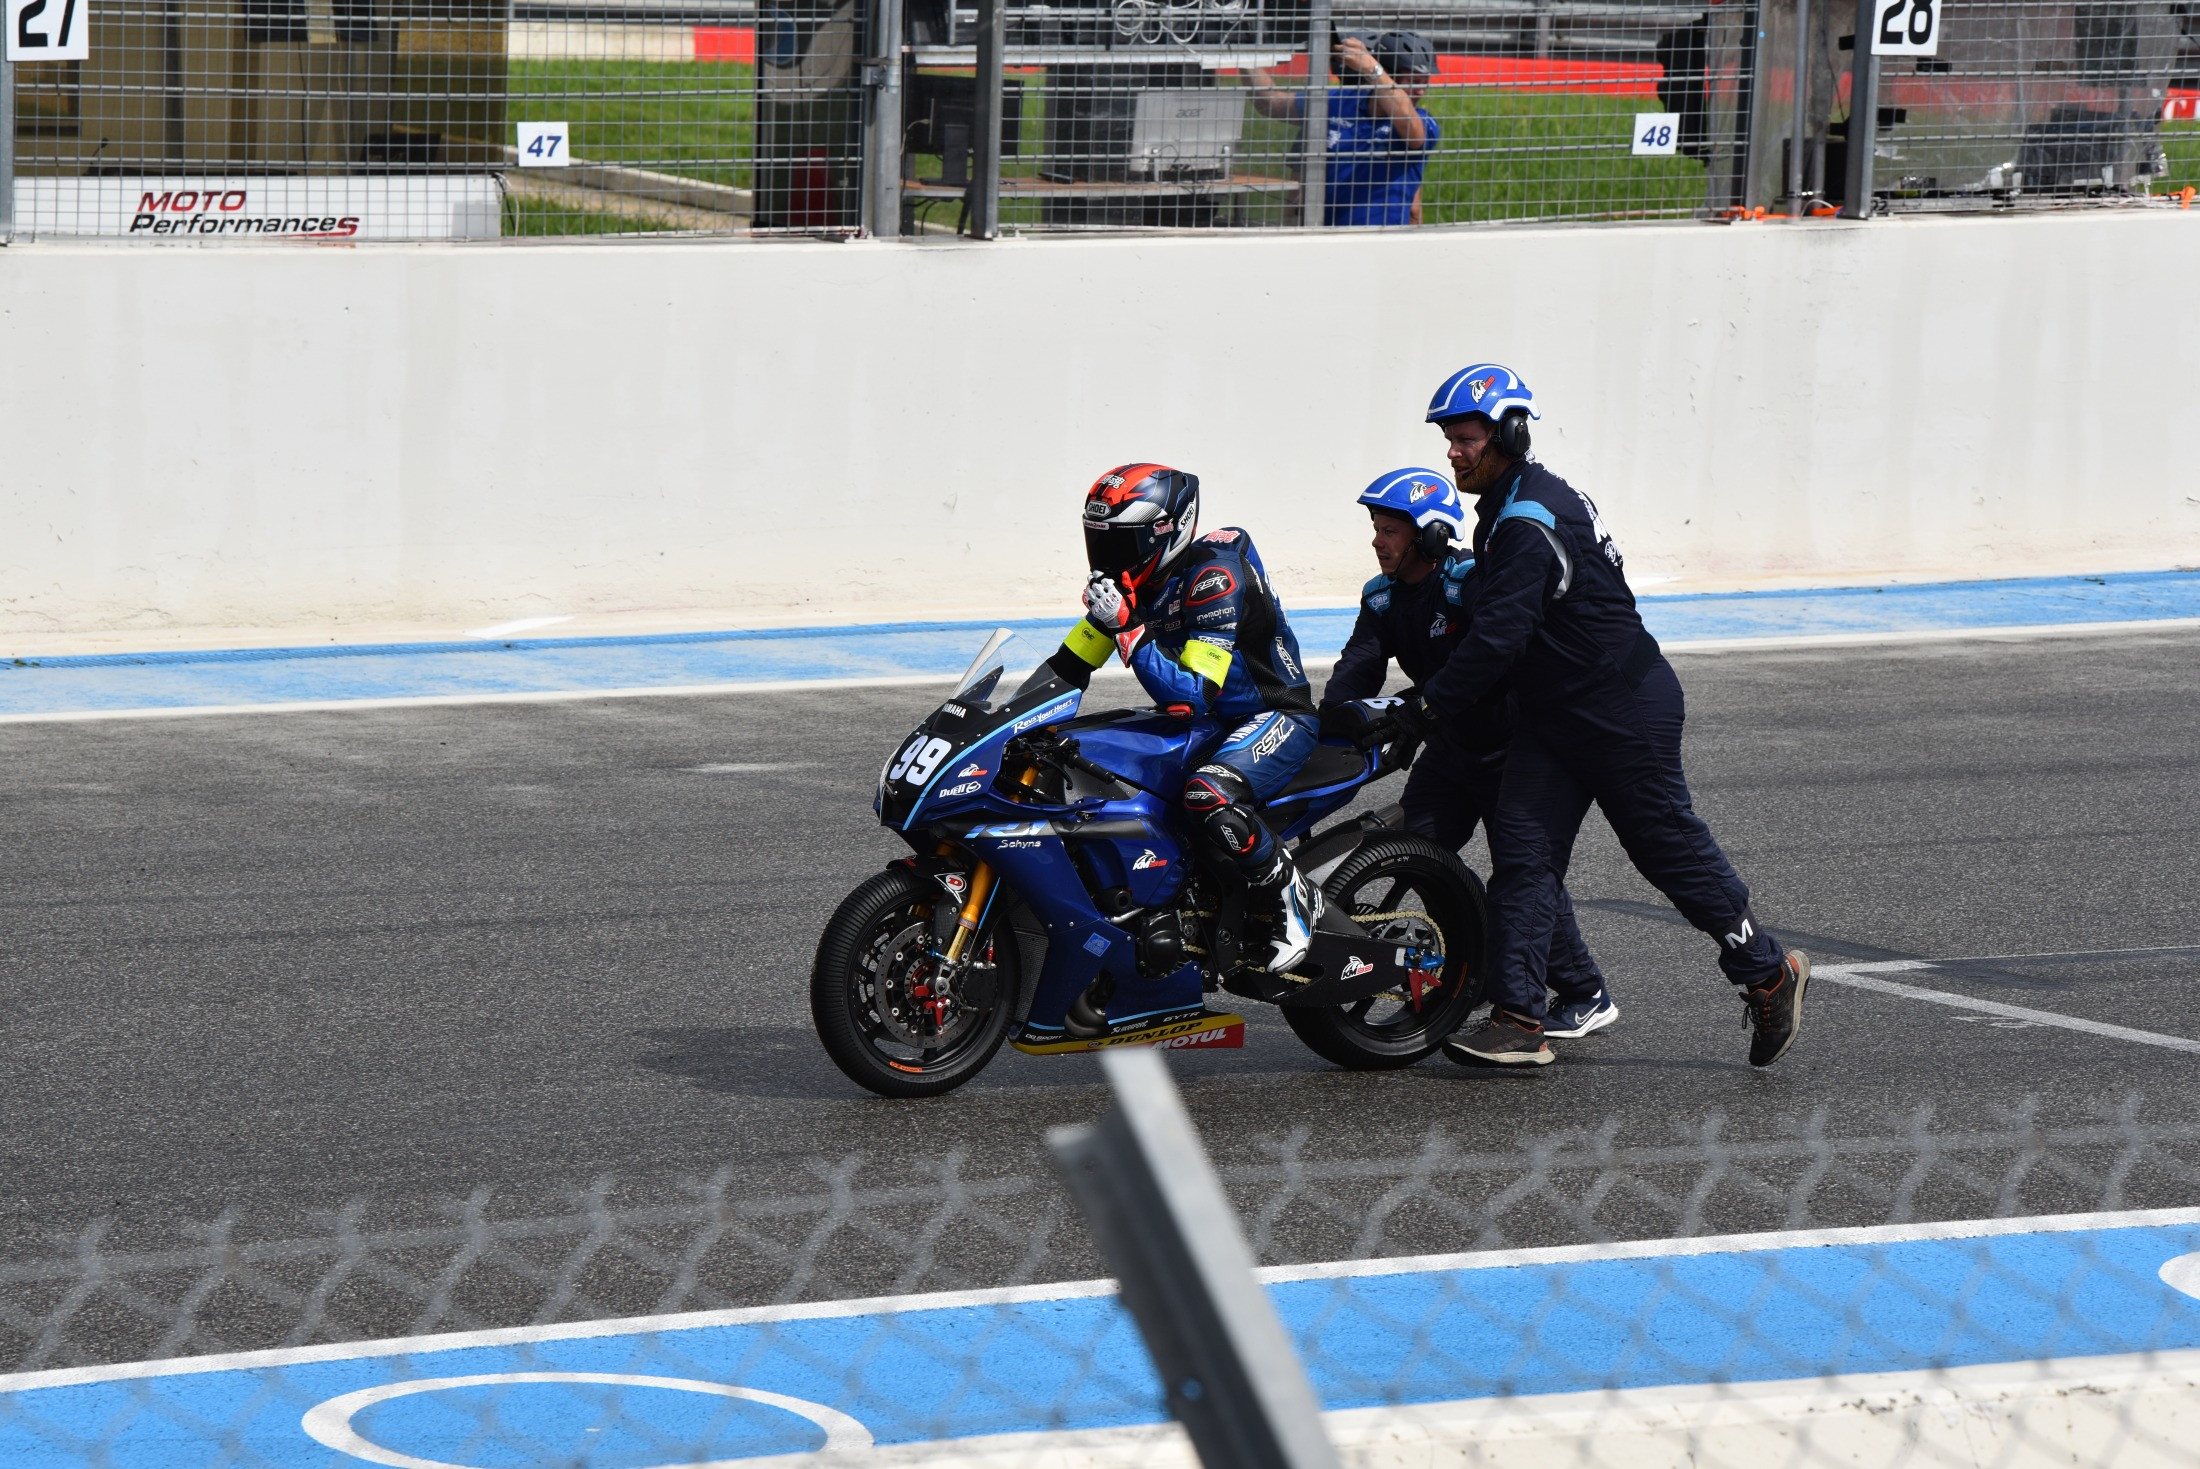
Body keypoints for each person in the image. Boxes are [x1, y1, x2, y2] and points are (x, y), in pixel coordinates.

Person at [1388, 366, 1811, 1070]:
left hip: (1620, 707)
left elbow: (1498, 639)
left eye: (1465, 439)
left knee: (1665, 849)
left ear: (1512, 433)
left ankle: (1768, 973)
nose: (1454, 453)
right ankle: (1519, 1019)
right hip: (1553, 713)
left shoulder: (1528, 519)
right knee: (1523, 856)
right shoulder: (1508, 505)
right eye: (1449, 440)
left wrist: (1428, 704)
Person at [1321, 468, 1619, 1039]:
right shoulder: (1380, 595)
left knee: (1524, 878)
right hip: (1450, 749)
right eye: (1376, 528)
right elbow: (1357, 666)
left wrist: (1419, 704)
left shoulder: (1468, 582)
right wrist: (1329, 721)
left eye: (1390, 530)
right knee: (1418, 852)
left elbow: (1495, 659)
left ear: (1431, 536)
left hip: (1514, 752)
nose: (1378, 541)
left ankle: (1586, 992)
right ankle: (1476, 959)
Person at [1044, 463, 1327, 972]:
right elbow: (1065, 669)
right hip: (1212, 723)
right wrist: (1000, 721)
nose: (1107, 558)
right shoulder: (1132, 584)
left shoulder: (1213, 580)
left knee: (1207, 794)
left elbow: (1192, 695)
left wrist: (1128, 630)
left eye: (1120, 542)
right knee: (1081, 751)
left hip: (1274, 714)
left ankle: (1292, 895)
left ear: (1165, 532)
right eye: (1099, 542)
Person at [1247, 31, 1441, 227]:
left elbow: (1409, 126)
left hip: (1382, 239)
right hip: (1326, 236)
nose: (1420, 91)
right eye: (1413, 81)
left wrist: (1372, 69)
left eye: (1424, 82)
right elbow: (1270, 103)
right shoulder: (1339, 101)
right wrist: (1243, 50)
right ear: (1390, 74)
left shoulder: (1424, 123)